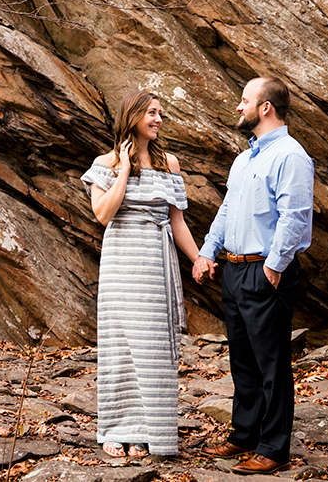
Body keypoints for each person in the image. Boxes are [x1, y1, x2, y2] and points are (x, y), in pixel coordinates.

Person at [192, 76, 314, 475]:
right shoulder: (244, 159)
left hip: (266, 272)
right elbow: (227, 211)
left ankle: (274, 448)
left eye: (244, 100)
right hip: (233, 269)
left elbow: (295, 217)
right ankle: (243, 435)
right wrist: (208, 252)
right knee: (243, 360)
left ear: (266, 108)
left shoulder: (291, 156)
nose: (238, 107)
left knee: (271, 361)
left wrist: (274, 266)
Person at [82, 90, 202, 458]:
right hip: (122, 262)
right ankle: (116, 429)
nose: (158, 119)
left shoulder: (170, 164)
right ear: (132, 115)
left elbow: (176, 221)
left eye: (159, 113)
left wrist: (198, 258)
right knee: (120, 346)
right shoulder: (106, 162)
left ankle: (150, 431)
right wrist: (124, 171)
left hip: (155, 263)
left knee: (153, 348)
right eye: (152, 113)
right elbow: (103, 214)